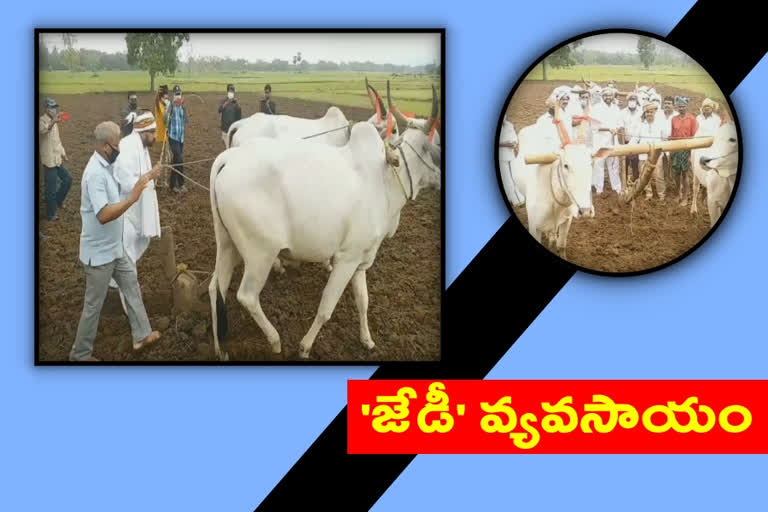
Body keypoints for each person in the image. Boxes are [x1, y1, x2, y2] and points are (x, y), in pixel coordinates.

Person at [69, 121, 161, 361]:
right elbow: (103, 215)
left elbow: (124, 185)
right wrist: (132, 200)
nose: (120, 147)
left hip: (116, 249)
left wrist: (147, 177)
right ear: (105, 146)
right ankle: (80, 355)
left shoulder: (109, 165)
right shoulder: (94, 174)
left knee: (131, 287)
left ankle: (141, 335)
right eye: (117, 143)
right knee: (93, 307)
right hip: (99, 255)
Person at [107, 111, 162, 313]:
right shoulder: (127, 148)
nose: (155, 136)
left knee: (127, 256)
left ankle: (115, 287)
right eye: (153, 132)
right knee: (127, 261)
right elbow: (126, 182)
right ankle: (134, 311)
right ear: (143, 131)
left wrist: (150, 175)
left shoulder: (142, 146)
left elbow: (142, 177)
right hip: (125, 212)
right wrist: (150, 175)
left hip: (134, 211)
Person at [39, 97, 72, 222]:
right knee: (50, 189)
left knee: (68, 180)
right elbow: (43, 131)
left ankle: (58, 200)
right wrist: (53, 121)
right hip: (49, 161)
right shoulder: (41, 121)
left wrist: (63, 153)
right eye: (52, 107)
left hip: (57, 159)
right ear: (46, 108)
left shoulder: (55, 122)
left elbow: (57, 141)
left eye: (55, 107)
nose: (54, 109)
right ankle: (51, 214)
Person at [631, 102, 669, 201]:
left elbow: (665, 138)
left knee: (658, 176)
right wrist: (628, 148)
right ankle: (649, 194)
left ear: (654, 113)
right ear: (645, 114)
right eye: (647, 112)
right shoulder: (640, 125)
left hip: (657, 155)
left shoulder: (660, 124)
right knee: (644, 176)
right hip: (643, 155)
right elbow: (634, 139)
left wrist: (665, 152)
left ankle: (661, 195)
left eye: (651, 112)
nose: (649, 114)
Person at [591, 88, 621, 196]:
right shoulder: (596, 108)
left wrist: (617, 129)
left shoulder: (616, 108)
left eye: (610, 95)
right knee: (598, 165)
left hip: (613, 142)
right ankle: (599, 189)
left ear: (613, 96)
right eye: (606, 95)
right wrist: (608, 129)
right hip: (600, 143)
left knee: (614, 165)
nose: (608, 97)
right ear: (602, 96)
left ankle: (617, 188)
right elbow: (594, 127)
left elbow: (619, 123)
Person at [669, 96, 698, 206]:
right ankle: (677, 194)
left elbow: (693, 135)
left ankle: (685, 197)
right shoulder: (674, 119)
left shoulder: (692, 119)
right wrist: (671, 146)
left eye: (683, 106)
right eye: (679, 106)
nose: (681, 108)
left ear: (687, 107)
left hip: (686, 149)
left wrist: (690, 151)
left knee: (685, 174)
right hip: (676, 148)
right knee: (676, 174)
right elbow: (672, 134)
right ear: (677, 107)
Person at [164, 84, 189, 193]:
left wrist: (183, 106)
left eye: (179, 94)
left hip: (181, 138)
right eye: (176, 94)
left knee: (176, 161)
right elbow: (165, 121)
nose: (178, 96)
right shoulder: (170, 106)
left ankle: (172, 184)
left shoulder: (182, 106)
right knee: (179, 159)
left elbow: (186, 121)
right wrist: (171, 106)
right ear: (173, 95)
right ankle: (182, 184)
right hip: (173, 137)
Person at [498, 112, 522, 206]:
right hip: (501, 156)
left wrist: (514, 143)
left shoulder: (509, 125)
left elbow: (514, 138)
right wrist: (504, 144)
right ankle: (516, 200)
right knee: (506, 178)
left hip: (510, 154)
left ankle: (515, 196)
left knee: (514, 176)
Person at [619, 92, 643, 181]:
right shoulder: (622, 112)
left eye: (634, 100)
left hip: (637, 143)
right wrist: (622, 144)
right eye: (630, 100)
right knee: (624, 164)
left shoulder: (641, 112)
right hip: (625, 142)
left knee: (635, 165)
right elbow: (621, 128)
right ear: (627, 101)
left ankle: (636, 182)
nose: (632, 101)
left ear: (637, 101)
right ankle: (624, 183)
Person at [152, 85, 170, 187]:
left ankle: (164, 181)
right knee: (160, 160)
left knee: (166, 159)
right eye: (164, 98)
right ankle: (157, 181)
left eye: (167, 98)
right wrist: (157, 94)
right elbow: (164, 118)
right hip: (159, 137)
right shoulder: (158, 105)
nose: (166, 99)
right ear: (161, 97)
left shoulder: (166, 106)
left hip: (166, 137)